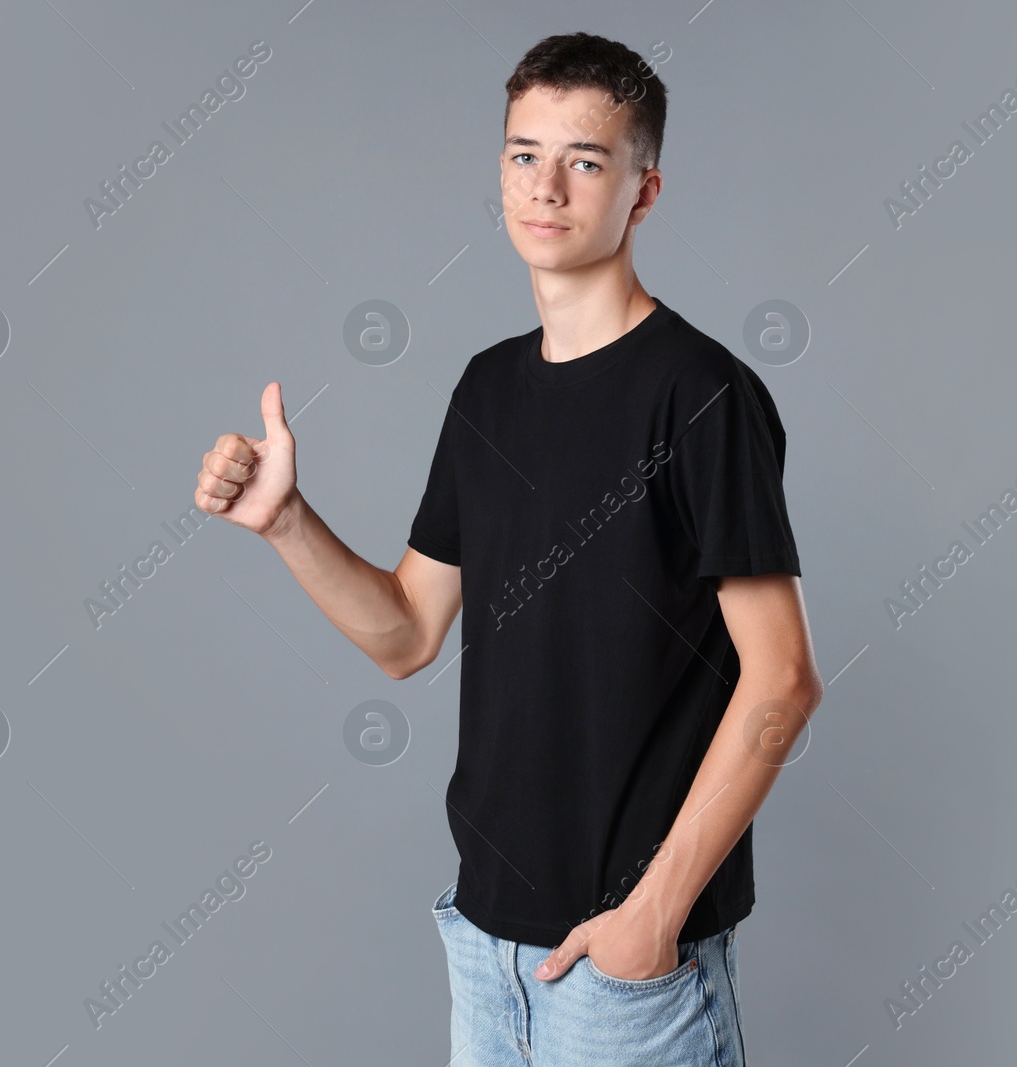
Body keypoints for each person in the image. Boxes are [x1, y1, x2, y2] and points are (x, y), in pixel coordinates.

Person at [194, 31, 824, 1067]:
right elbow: (405, 632)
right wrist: (285, 519)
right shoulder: (486, 390)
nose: (548, 186)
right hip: (482, 945)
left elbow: (783, 679)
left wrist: (647, 920)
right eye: (524, 154)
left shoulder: (700, 395)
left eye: (585, 160)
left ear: (643, 191)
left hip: (627, 968)